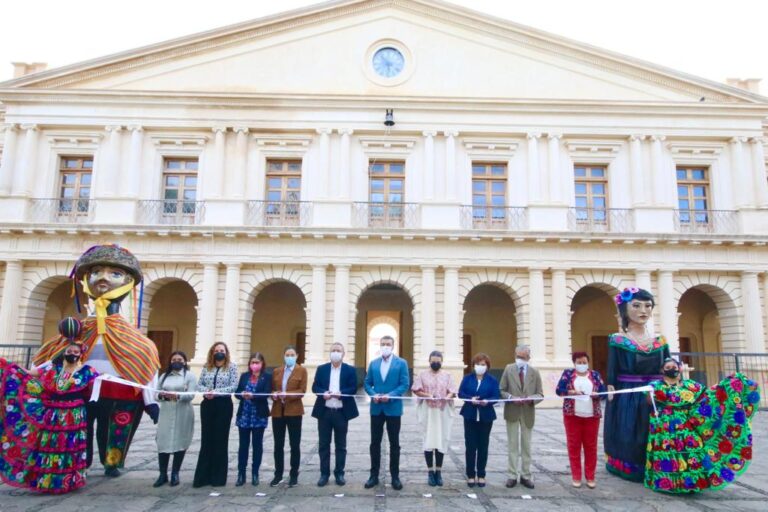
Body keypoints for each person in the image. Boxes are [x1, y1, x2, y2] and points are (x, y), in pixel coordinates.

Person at [32, 244, 161, 478]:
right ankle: (81, 460)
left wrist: (151, 400)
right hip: (80, 392)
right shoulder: (74, 333)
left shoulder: (138, 341)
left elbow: (146, 367)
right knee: (80, 428)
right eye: (96, 272)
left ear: (129, 281)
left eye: (115, 274)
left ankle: (112, 462)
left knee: (114, 430)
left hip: (119, 394)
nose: (103, 278)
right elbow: (49, 360)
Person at [645, 358, 760, 493]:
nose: (672, 369)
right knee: (668, 454)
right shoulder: (655, 386)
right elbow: (649, 402)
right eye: (668, 367)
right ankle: (669, 484)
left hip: (686, 425)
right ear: (662, 370)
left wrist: (726, 386)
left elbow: (708, 397)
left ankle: (690, 483)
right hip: (664, 427)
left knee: (693, 452)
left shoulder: (692, 386)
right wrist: (650, 394)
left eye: (674, 367)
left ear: (680, 369)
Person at [0, 337, 98, 493]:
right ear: (63, 352)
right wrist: (9, 367)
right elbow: (29, 373)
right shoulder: (52, 369)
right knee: (52, 444)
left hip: (74, 414)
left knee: (70, 445)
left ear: (81, 354)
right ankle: (48, 481)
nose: (72, 354)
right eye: (69, 351)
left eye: (76, 352)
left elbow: (95, 388)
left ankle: (69, 481)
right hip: (54, 413)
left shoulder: (87, 371)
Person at [603, 287, 670, 482]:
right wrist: (610, 388)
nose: (643, 310)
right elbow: (613, 371)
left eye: (648, 306)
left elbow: (667, 366)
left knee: (654, 431)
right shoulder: (618, 340)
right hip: (627, 393)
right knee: (629, 431)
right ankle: (628, 465)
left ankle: (657, 464)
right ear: (625, 309)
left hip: (654, 394)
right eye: (637, 305)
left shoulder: (660, 341)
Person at [363, 335, 410, 490]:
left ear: (393, 346)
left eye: (388, 344)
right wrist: (372, 394)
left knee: (394, 443)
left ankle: (395, 477)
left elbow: (404, 384)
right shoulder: (374, 363)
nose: (385, 346)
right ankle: (373, 475)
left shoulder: (401, 363)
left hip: (393, 409)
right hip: (376, 409)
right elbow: (367, 382)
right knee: (374, 443)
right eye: (383, 344)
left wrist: (390, 396)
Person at [555, 351, 607, 489]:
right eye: (579, 362)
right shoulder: (568, 374)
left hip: (591, 416)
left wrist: (597, 394)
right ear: (574, 363)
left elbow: (603, 392)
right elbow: (559, 390)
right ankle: (576, 476)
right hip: (572, 415)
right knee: (574, 446)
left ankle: (590, 476)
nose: (582, 365)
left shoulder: (595, 375)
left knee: (591, 447)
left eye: (584, 362)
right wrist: (571, 392)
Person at [311, 342, 359, 487]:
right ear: (330, 353)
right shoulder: (322, 369)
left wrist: (342, 394)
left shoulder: (350, 370)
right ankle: (324, 474)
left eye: (338, 350)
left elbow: (353, 388)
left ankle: (339, 473)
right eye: (333, 350)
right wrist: (322, 393)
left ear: (343, 354)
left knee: (341, 445)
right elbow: (315, 386)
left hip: (341, 413)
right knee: (324, 445)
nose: (335, 353)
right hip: (324, 412)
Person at [193, 342, 238, 487]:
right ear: (213, 352)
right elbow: (199, 384)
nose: (219, 352)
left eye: (222, 350)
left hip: (223, 405)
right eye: (217, 350)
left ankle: (218, 477)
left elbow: (233, 386)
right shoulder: (207, 367)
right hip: (207, 405)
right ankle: (203, 476)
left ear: (226, 352)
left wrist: (217, 392)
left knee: (220, 439)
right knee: (206, 439)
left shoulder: (232, 367)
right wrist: (206, 391)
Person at [499, 344, 543, 489]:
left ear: (528, 358)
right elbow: (502, 389)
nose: (520, 360)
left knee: (526, 445)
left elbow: (540, 394)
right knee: (512, 445)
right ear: (515, 355)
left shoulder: (534, 372)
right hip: (512, 411)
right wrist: (511, 397)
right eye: (518, 357)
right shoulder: (508, 369)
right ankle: (512, 475)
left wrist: (531, 399)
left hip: (527, 412)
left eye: (523, 358)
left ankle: (526, 475)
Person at [411, 350, 456, 487]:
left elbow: (453, 392)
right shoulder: (423, 375)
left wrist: (446, 397)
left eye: (438, 361)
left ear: (441, 362)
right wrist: (427, 395)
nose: (435, 363)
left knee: (441, 440)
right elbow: (416, 389)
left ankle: (439, 472)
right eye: (433, 360)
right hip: (428, 411)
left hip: (442, 411)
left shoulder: (447, 375)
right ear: (429, 361)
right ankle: (430, 472)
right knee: (429, 440)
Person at [153, 351, 196, 488]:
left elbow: (190, 395)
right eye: (174, 359)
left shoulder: (189, 376)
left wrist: (176, 396)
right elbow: (156, 394)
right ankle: (162, 474)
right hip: (166, 413)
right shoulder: (164, 376)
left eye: (180, 359)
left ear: (184, 361)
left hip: (183, 413)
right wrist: (165, 396)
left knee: (180, 441)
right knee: (163, 442)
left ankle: (175, 473)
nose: (177, 361)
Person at [458, 353, 499, 488]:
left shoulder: (492, 380)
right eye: (477, 364)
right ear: (473, 365)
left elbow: (496, 395)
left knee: (483, 446)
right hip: (469, 415)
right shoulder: (467, 378)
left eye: (483, 364)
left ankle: (481, 474)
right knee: (470, 446)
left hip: (486, 416)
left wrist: (487, 401)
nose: (480, 367)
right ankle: (470, 474)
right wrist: (471, 399)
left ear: (487, 366)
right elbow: (461, 393)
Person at [270, 345, 307, 487]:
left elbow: (302, 390)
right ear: (284, 356)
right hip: (278, 411)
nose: (289, 357)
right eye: (287, 354)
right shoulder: (277, 371)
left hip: (294, 411)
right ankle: (278, 473)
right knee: (278, 445)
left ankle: (293, 474)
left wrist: (288, 395)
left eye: (292, 354)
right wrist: (274, 395)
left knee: (294, 444)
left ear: (296, 356)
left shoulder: (301, 370)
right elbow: (272, 389)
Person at [235, 352, 272, 487]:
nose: (254, 365)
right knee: (243, 446)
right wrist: (242, 394)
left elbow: (267, 393)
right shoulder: (245, 376)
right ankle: (241, 474)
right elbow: (237, 392)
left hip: (258, 415)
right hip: (244, 414)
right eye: (252, 362)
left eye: (257, 362)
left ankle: (255, 473)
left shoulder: (267, 377)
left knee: (257, 445)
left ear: (262, 364)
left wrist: (253, 395)